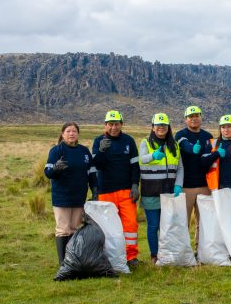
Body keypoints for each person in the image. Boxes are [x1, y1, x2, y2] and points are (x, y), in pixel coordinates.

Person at [92, 110, 141, 268]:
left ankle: (131, 257)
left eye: (117, 124)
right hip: (105, 191)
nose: (114, 127)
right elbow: (96, 165)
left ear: (122, 124)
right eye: (110, 124)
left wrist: (135, 185)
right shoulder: (98, 141)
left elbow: (135, 166)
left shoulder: (129, 141)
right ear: (105, 125)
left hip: (126, 190)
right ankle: (107, 257)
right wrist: (101, 151)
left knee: (130, 225)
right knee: (107, 227)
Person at [44, 122, 96, 266]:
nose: (71, 134)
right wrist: (55, 168)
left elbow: (91, 173)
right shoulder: (56, 151)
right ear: (62, 134)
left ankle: (72, 260)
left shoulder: (84, 151)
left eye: (74, 131)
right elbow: (48, 173)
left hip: (79, 196)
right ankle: (63, 263)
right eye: (68, 131)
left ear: (78, 134)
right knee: (63, 229)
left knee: (74, 228)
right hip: (62, 196)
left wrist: (95, 189)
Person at [138, 113, 184, 263]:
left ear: (168, 127)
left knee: (168, 225)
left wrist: (178, 184)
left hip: (169, 192)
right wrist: (152, 156)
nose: (161, 128)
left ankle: (167, 252)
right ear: (152, 127)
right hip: (151, 191)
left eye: (164, 125)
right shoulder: (146, 143)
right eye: (158, 125)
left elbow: (180, 168)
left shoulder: (175, 145)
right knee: (153, 225)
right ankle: (154, 255)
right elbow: (141, 160)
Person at [174, 106, 214, 243]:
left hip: (205, 186)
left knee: (203, 222)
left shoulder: (208, 136)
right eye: (191, 116)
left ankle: (200, 251)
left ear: (201, 117)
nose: (194, 118)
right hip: (186, 187)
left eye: (197, 115)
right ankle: (184, 252)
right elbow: (184, 145)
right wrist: (193, 148)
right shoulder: (180, 135)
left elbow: (210, 158)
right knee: (183, 221)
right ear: (186, 119)